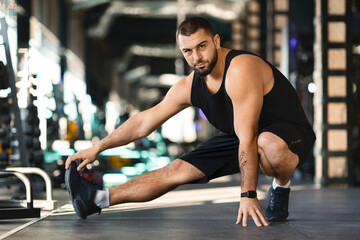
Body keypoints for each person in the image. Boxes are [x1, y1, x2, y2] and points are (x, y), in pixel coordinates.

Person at [65, 17, 316, 227]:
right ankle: (96, 199)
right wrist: (98, 147)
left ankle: (280, 188)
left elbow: (249, 135)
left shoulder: (240, 69)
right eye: (187, 51)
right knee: (175, 170)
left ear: (216, 42)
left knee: (266, 143)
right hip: (243, 137)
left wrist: (248, 194)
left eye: (202, 46)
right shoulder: (189, 86)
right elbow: (144, 122)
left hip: (289, 135)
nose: (196, 57)